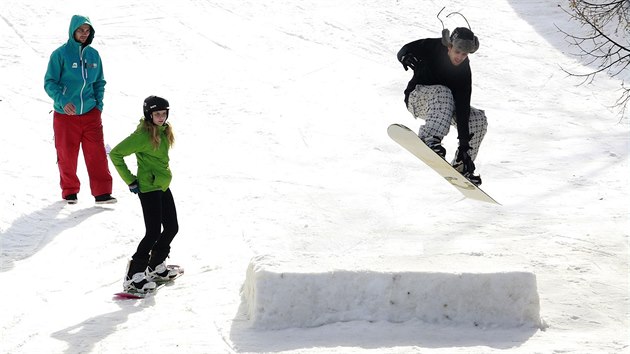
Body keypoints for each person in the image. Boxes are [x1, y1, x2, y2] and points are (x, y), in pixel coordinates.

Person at [397, 26, 488, 185]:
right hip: (417, 98)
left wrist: (465, 148)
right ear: (449, 46)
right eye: (457, 52)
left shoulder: (464, 72)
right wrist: (404, 56)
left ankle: (462, 164)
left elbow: (462, 109)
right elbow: (405, 49)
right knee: (443, 92)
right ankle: (429, 138)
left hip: (444, 108)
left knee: (477, 119)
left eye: (464, 54)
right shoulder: (433, 47)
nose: (460, 57)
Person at [109, 96, 180, 293]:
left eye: (164, 113)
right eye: (157, 114)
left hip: (162, 185)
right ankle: (134, 275)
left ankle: (155, 266)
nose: (161, 117)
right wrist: (130, 180)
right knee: (153, 232)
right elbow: (116, 154)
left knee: (172, 227)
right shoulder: (143, 136)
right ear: (149, 115)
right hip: (149, 188)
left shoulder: (164, 131)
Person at [44, 15, 116, 204]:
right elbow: (49, 82)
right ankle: (70, 191)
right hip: (66, 115)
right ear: (72, 31)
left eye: (87, 31)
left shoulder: (93, 55)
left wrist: (98, 106)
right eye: (80, 30)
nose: (84, 34)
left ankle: (102, 193)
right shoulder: (60, 54)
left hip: (91, 113)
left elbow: (99, 82)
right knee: (67, 154)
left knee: (97, 154)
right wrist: (62, 100)